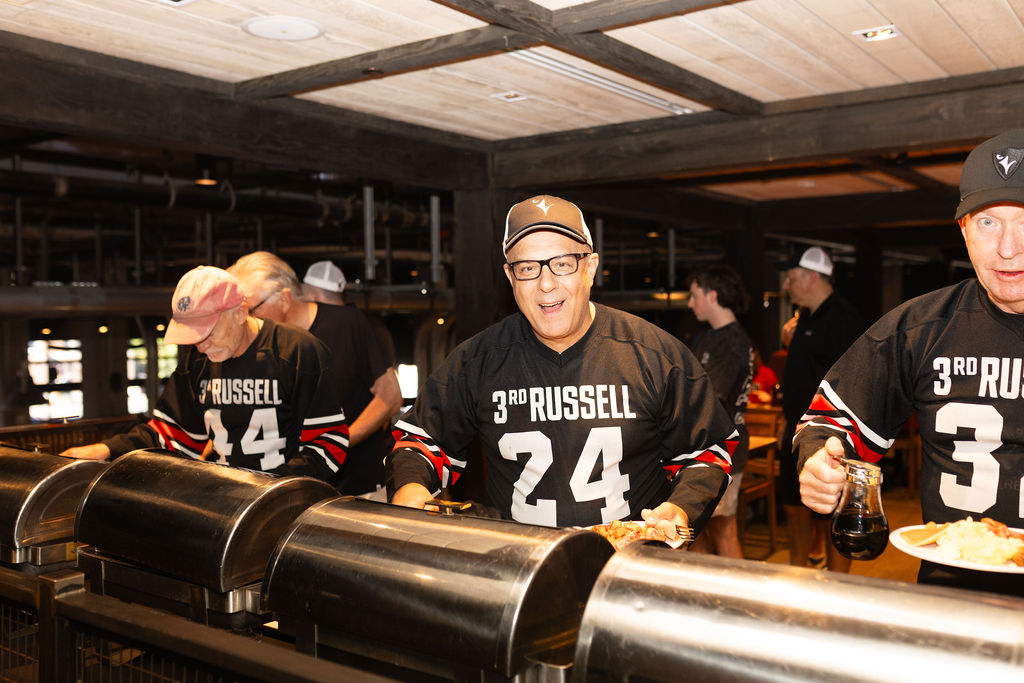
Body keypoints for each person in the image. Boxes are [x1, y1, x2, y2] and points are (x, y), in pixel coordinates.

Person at [385, 194, 737, 537]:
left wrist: (682, 508)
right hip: (517, 561)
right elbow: (422, 440)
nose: (546, 283)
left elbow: (707, 450)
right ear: (510, 278)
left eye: (563, 263)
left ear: (590, 268)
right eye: (527, 268)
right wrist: (410, 486)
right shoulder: (478, 360)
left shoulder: (655, 355)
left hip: (627, 560)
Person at [797, 128, 1024, 596]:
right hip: (954, 595)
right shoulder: (920, 328)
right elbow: (831, 423)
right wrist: (820, 463)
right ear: (964, 231)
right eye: (987, 222)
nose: (1008, 247)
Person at [61, 266, 349, 480]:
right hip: (225, 498)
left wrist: (272, 489)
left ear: (240, 312)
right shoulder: (198, 360)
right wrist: (106, 450)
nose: (201, 345)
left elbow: (328, 442)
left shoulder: (296, 351)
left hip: (287, 505)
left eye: (208, 332)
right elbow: (173, 435)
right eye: (193, 337)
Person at [228, 252, 402, 497]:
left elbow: (390, 397)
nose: (245, 320)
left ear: (284, 299)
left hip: (355, 484)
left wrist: (335, 444)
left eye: (252, 310)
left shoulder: (346, 324)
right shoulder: (255, 343)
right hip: (286, 486)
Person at [775, 245, 865, 571]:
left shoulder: (844, 320)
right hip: (796, 431)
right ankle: (798, 579)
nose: (787, 285)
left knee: (836, 514)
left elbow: (856, 384)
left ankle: (839, 587)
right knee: (794, 508)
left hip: (833, 435)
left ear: (811, 277)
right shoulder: (804, 319)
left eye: (791, 278)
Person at [684, 264, 754, 558]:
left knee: (723, 528)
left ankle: (736, 588)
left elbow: (710, 397)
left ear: (712, 295)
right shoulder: (706, 337)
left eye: (694, 295)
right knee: (694, 529)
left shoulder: (734, 340)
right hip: (703, 447)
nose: (690, 304)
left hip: (724, 448)